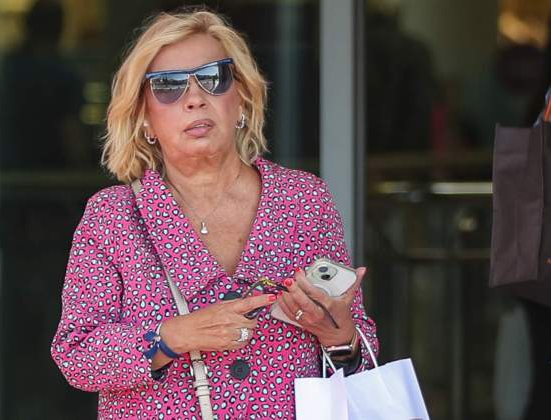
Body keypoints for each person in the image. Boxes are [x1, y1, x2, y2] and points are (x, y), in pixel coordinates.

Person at [50, 8, 378, 418]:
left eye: (213, 77)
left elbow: (359, 355)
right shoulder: (113, 215)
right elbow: (77, 355)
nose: (194, 98)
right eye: (168, 86)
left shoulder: (303, 199)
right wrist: (175, 336)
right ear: (144, 116)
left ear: (241, 97)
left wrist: (339, 336)